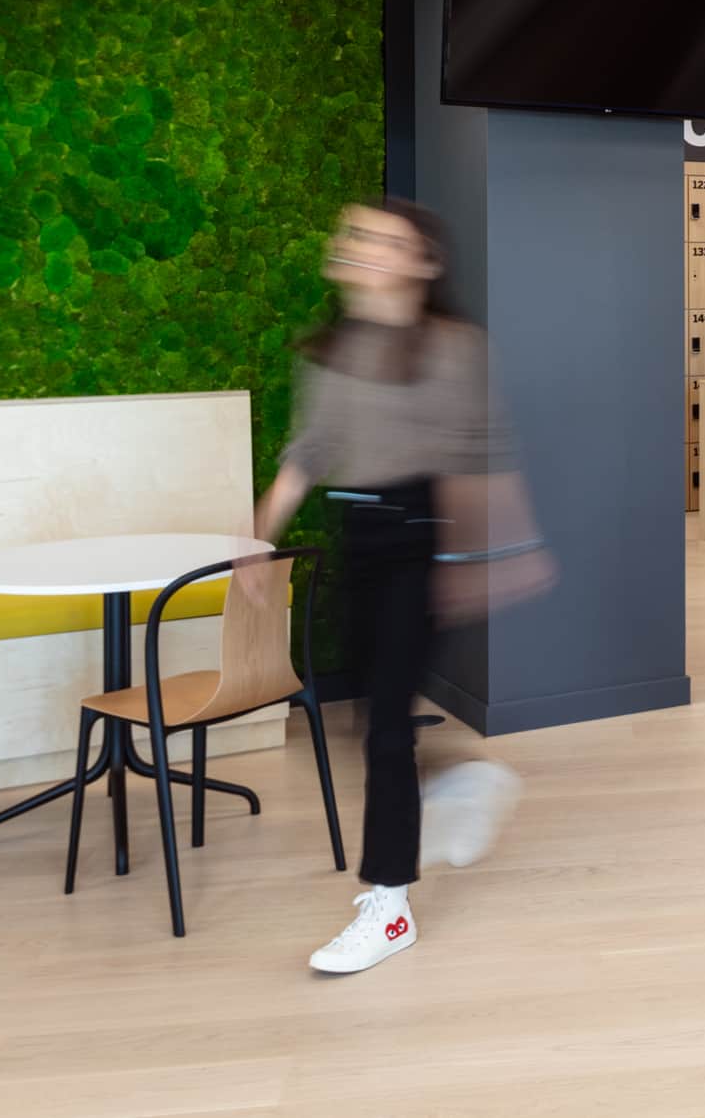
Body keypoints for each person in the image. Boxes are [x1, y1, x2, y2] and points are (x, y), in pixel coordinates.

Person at [253, 198, 541, 975]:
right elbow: (310, 451)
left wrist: (485, 558)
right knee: (370, 726)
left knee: (383, 726)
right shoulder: (328, 348)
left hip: (424, 534)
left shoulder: (455, 348)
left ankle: (389, 906)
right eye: (354, 233)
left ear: (423, 263)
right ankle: (456, 792)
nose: (361, 246)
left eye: (385, 239)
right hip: (359, 537)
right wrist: (257, 544)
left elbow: (482, 455)